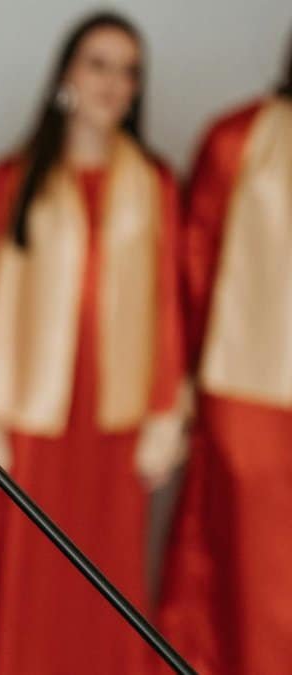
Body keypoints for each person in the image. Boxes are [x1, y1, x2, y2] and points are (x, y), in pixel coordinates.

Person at [0, 12, 187, 675]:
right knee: (31, 572)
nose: (113, 82)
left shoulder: (153, 180)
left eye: (128, 70)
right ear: (68, 73)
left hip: (115, 411)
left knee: (112, 578)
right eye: (99, 63)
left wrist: (164, 413)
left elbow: (165, 305)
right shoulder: (13, 177)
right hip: (33, 409)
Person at [157, 35, 292, 675]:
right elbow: (193, 265)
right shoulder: (238, 138)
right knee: (250, 580)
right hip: (250, 397)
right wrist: (180, 386)